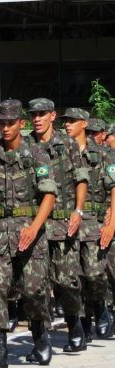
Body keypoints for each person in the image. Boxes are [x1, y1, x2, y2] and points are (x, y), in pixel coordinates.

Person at [0, 99, 57, 368]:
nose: (5, 127)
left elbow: (49, 194)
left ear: (22, 123)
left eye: (10, 122)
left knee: (34, 290)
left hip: (29, 229)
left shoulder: (36, 154)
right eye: (2, 122)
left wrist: (34, 228)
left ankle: (41, 338)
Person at [28, 98, 89, 353]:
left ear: (52, 116)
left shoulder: (67, 145)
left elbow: (81, 179)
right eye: (34, 115)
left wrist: (78, 210)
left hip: (63, 223)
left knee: (66, 282)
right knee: (34, 286)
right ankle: (40, 338)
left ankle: (75, 324)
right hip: (33, 225)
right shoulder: (25, 144)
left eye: (42, 114)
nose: (37, 119)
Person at [62, 108, 114, 341]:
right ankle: (81, 325)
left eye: (72, 121)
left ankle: (101, 306)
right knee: (72, 278)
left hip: (94, 220)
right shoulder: (60, 153)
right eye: (66, 122)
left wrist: (111, 224)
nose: (67, 125)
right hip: (66, 221)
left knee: (94, 274)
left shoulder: (102, 154)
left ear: (84, 123)